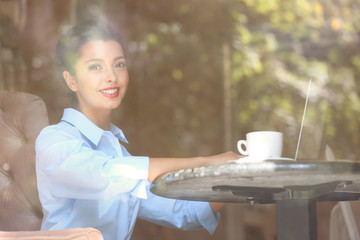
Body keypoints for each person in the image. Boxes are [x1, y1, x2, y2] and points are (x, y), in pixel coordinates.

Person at [35, 19, 241, 240]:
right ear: (71, 80)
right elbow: (109, 174)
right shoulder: (54, 141)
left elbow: (184, 213)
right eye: (95, 66)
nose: (111, 77)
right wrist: (205, 162)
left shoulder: (117, 153)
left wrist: (240, 178)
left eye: (119, 64)